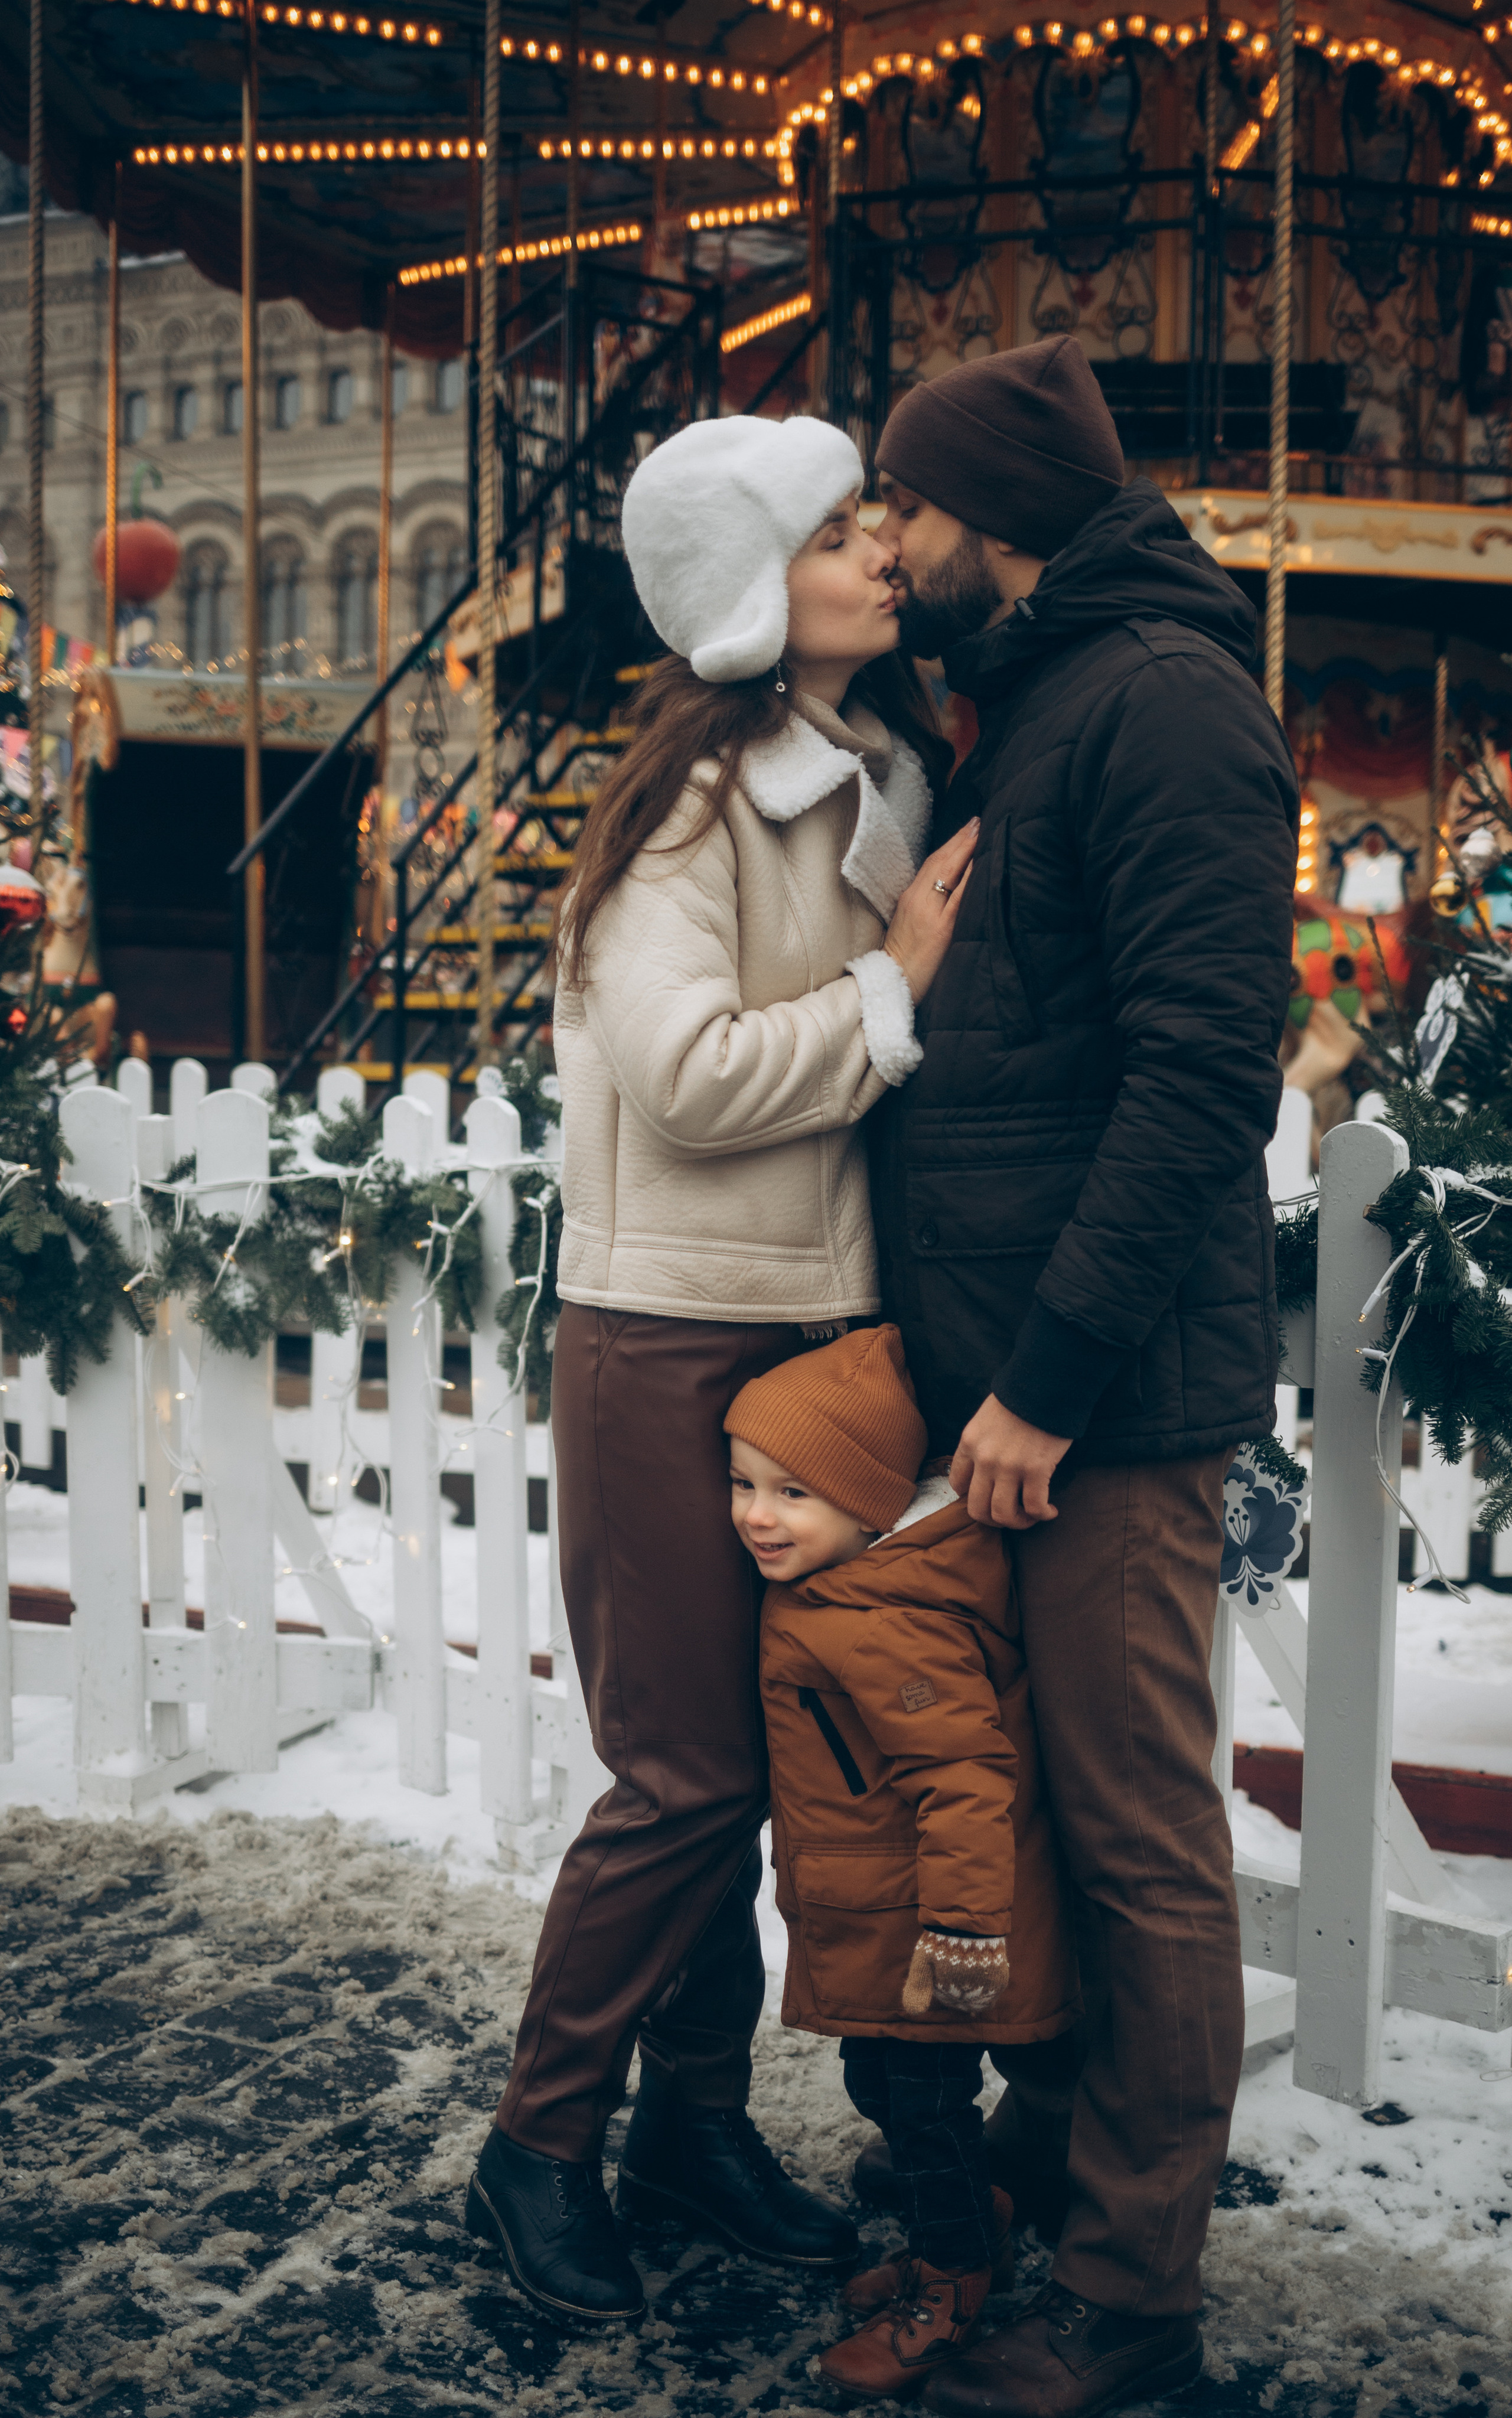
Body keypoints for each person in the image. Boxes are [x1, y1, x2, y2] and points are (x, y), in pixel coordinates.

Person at [464, 411, 973, 2326]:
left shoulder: (883, 770)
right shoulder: (693, 802)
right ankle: (536, 2138)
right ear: (762, 590)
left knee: (758, 1760)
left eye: (870, 524)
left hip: (804, 1331)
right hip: (671, 1328)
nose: (875, 548)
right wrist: (888, 995)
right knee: (681, 1769)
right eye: (838, 530)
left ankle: (688, 2118)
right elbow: (680, 1076)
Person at [863, 335, 1300, 2418]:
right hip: (1007, 1393)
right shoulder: (1037, 698)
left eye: (909, 509)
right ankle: (1064, 2185)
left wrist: (1040, 1380)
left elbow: (1204, 1075)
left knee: (1140, 1833)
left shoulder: (1170, 708)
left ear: (1002, 520)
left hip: (1097, 1401)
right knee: (1050, 1811)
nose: (890, 542)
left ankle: (1134, 2309)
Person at [723, 1323, 1078, 2404]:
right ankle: (970, 2224)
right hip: (877, 1916)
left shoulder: (889, 1621)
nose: (755, 1515)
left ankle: (954, 2283)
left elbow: (969, 1778)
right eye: (743, 1484)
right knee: (884, 2084)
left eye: (793, 1492)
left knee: (922, 2107)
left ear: (871, 1502)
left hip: (928, 1928)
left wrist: (967, 1933)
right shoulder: (842, 1591)